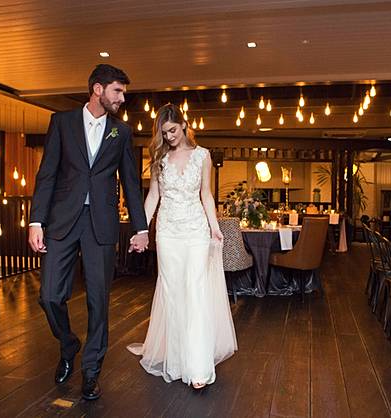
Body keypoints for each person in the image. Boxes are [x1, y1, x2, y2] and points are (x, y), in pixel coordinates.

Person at [28, 64, 148, 400]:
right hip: (62, 221)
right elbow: (47, 174)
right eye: (117, 91)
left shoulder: (121, 132)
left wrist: (140, 227)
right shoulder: (61, 122)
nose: (122, 98)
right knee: (49, 296)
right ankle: (68, 344)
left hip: (101, 224)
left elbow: (131, 182)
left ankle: (91, 371)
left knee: (98, 300)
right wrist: (36, 221)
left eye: (123, 92)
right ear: (98, 89)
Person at [127, 104, 237, 389]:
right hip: (167, 232)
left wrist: (214, 226)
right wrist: (141, 230)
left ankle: (198, 366)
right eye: (164, 133)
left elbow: (206, 194)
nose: (169, 136)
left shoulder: (203, 156)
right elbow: (153, 196)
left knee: (195, 291)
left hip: (196, 230)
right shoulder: (160, 157)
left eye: (173, 130)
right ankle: (176, 360)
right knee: (173, 292)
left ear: (184, 125)